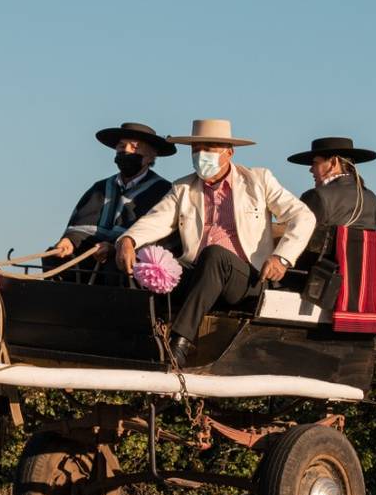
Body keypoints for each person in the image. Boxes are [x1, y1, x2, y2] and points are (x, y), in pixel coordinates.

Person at [116, 119, 315, 367]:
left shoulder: (258, 180)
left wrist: (282, 257)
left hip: (246, 277)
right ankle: (136, 338)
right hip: (199, 274)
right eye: (196, 150)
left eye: (208, 149)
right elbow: (157, 220)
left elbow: (303, 216)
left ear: (228, 153)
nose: (201, 156)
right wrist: (128, 239)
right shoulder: (184, 187)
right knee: (151, 263)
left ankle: (180, 342)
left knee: (215, 255)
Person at [53, 123, 176, 266]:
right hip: (91, 255)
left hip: (130, 261)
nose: (126, 151)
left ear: (151, 156)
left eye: (134, 147)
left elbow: (158, 235)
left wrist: (114, 247)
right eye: (121, 146)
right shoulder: (100, 187)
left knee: (118, 264)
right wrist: (70, 240)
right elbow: (81, 227)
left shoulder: (163, 191)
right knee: (56, 258)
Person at [287, 137, 376, 259]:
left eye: (315, 163)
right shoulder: (372, 199)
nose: (310, 169)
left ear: (334, 163)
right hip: (365, 275)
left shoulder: (316, 196)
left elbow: (298, 240)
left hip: (320, 275)